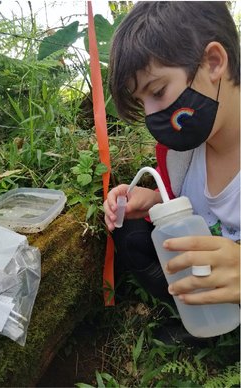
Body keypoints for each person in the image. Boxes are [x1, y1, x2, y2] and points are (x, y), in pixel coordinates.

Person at [104, 2, 240, 313]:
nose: (153, 117)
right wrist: (154, 200)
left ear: (214, 62)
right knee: (128, 230)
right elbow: (190, 207)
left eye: (158, 91)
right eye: (143, 102)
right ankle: (192, 311)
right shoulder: (181, 152)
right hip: (208, 283)